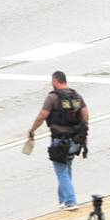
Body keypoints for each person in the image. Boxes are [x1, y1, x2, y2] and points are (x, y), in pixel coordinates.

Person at [27, 71, 89, 210]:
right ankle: (63, 201)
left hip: (59, 140)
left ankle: (71, 202)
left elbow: (42, 115)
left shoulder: (53, 97)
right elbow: (85, 114)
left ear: (55, 81)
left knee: (61, 171)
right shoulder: (76, 96)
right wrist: (84, 133)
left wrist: (32, 130)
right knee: (66, 168)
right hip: (75, 139)